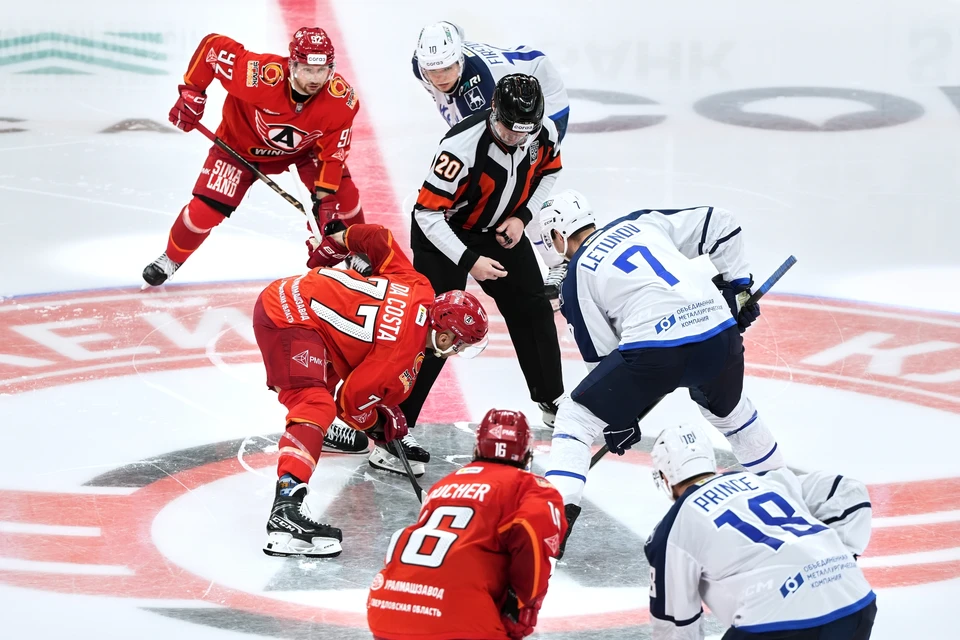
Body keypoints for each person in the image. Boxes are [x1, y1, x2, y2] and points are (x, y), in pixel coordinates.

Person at [538, 189, 784, 553]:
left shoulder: (577, 278)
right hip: (719, 336)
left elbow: (604, 363)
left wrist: (618, 418)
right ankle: (784, 495)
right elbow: (723, 224)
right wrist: (739, 286)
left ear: (557, 238)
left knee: (575, 419)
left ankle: (550, 528)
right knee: (731, 413)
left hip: (656, 352)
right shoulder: (642, 222)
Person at [253, 222, 489, 557]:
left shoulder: (420, 285)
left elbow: (377, 237)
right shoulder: (398, 361)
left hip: (300, 303)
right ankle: (285, 513)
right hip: (286, 317)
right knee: (314, 403)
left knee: (341, 365)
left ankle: (322, 435)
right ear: (447, 336)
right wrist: (377, 425)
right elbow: (350, 405)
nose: (458, 351)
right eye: (461, 345)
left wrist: (337, 241)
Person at [390, 73, 565, 478]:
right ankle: (395, 428)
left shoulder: (543, 132)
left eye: (526, 131)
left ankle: (552, 399)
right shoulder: (459, 147)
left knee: (533, 306)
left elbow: (550, 172)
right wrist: (469, 261)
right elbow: (426, 214)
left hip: (501, 227)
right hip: (446, 234)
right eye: (508, 128)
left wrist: (522, 216)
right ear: (493, 113)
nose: (517, 138)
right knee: (437, 330)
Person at [144, 26, 369, 289]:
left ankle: (357, 251)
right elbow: (212, 47)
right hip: (238, 147)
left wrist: (326, 201)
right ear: (292, 64)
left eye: (322, 70)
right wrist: (192, 92)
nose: (315, 79)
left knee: (345, 200)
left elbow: (333, 154)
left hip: (304, 153)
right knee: (202, 214)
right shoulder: (258, 76)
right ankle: (171, 259)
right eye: (307, 69)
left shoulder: (341, 100)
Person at [646, 424, 876, 639]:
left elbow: (675, 626)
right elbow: (847, 492)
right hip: (855, 601)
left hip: (777, 625)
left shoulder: (671, 529)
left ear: (664, 476)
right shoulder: (769, 481)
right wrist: (838, 561)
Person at [367, 409, 567, 640]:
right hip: (456, 620)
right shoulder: (532, 488)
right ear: (526, 452)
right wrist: (520, 612)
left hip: (387, 609)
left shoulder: (444, 485)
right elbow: (532, 540)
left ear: (478, 446)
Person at [413, 21, 571, 299]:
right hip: (505, 78)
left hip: (536, 96)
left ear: (460, 59)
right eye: (432, 70)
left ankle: (558, 263)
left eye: (447, 68)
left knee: (520, 187)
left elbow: (487, 142)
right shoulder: (421, 65)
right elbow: (454, 28)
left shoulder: (482, 91)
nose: (440, 78)